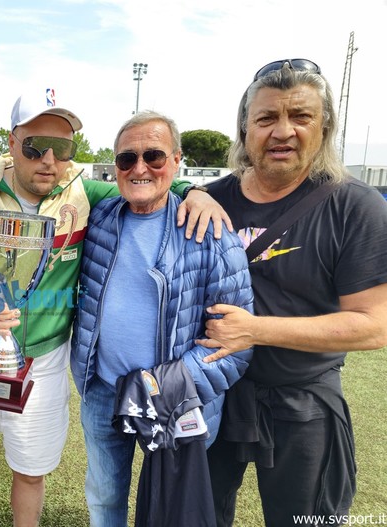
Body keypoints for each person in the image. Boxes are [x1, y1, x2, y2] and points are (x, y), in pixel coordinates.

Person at [0, 90, 230, 527]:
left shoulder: (81, 191)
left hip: (43, 364)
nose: (48, 159)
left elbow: (141, 178)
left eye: (62, 148)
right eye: (34, 146)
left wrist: (194, 190)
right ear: (11, 142)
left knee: (30, 474)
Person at [199, 59, 387, 526]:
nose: (282, 131)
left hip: (302, 400)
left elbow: (373, 325)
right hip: (213, 393)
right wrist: (190, 191)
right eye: (266, 118)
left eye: (300, 116)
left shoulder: (353, 206)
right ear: (244, 130)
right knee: (193, 515)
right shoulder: (211, 199)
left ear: (324, 128)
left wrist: (253, 331)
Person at [70, 110, 254, 526]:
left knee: (170, 511)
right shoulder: (99, 217)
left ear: (176, 160)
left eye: (154, 156)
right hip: (104, 390)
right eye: (125, 159)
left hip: (174, 399)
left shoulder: (213, 233)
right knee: (104, 497)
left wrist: (161, 386)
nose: (139, 169)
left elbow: (235, 346)